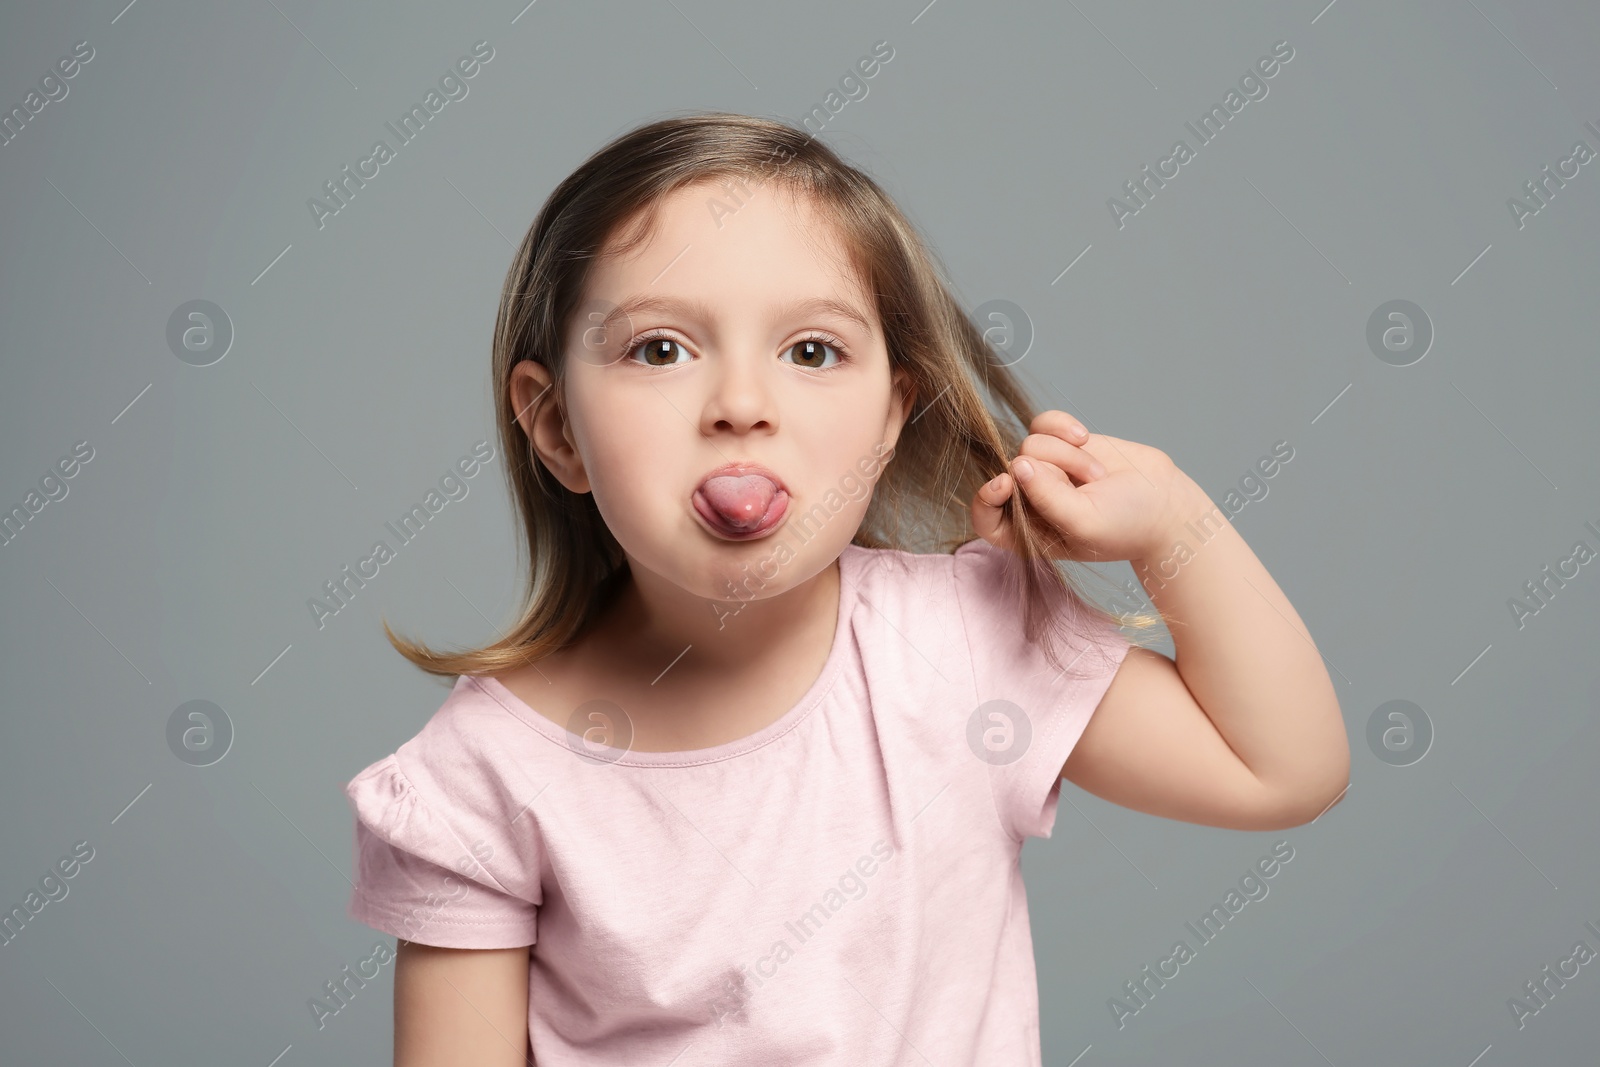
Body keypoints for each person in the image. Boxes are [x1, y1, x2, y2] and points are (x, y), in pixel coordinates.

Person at [341, 111, 1349, 1065]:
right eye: (661, 349)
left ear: (888, 419)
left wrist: (1175, 526)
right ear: (557, 425)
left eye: (811, 351)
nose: (741, 404)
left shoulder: (960, 646)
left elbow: (1280, 769)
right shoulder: (478, 778)